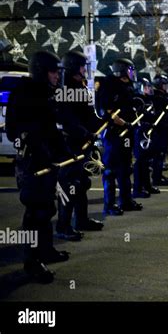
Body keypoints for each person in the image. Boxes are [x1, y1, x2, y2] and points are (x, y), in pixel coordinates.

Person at [5, 51, 71, 283]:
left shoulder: (47, 94)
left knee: (47, 209)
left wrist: (65, 151)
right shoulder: (23, 93)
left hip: (47, 162)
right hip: (32, 164)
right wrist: (32, 140)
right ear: (43, 71)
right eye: (54, 71)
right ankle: (32, 262)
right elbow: (13, 130)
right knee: (35, 213)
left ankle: (46, 251)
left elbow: (52, 129)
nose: (57, 76)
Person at [55, 50, 104, 241]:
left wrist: (101, 124)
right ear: (74, 66)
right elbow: (67, 119)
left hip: (83, 143)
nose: (85, 69)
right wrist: (86, 133)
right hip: (69, 146)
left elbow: (88, 115)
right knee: (69, 185)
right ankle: (63, 225)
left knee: (82, 183)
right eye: (83, 66)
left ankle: (81, 220)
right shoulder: (64, 89)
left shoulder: (80, 88)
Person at [96, 58, 143, 216]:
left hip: (126, 133)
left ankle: (126, 200)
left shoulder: (126, 86)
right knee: (110, 169)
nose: (132, 73)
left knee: (125, 167)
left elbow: (126, 106)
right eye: (130, 70)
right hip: (113, 133)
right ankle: (109, 205)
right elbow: (107, 110)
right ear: (122, 70)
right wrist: (123, 123)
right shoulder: (109, 85)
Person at [132, 78, 160, 198]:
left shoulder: (148, 100)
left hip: (147, 133)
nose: (150, 89)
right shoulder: (137, 100)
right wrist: (148, 122)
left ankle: (147, 185)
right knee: (140, 162)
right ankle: (138, 188)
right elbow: (137, 117)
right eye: (147, 87)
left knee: (146, 161)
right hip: (139, 134)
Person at [151, 75, 168, 187]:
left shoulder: (159, 96)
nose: (166, 87)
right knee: (158, 156)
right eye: (165, 85)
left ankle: (158, 175)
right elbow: (161, 115)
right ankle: (157, 177)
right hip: (159, 131)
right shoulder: (158, 98)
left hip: (161, 130)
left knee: (160, 156)